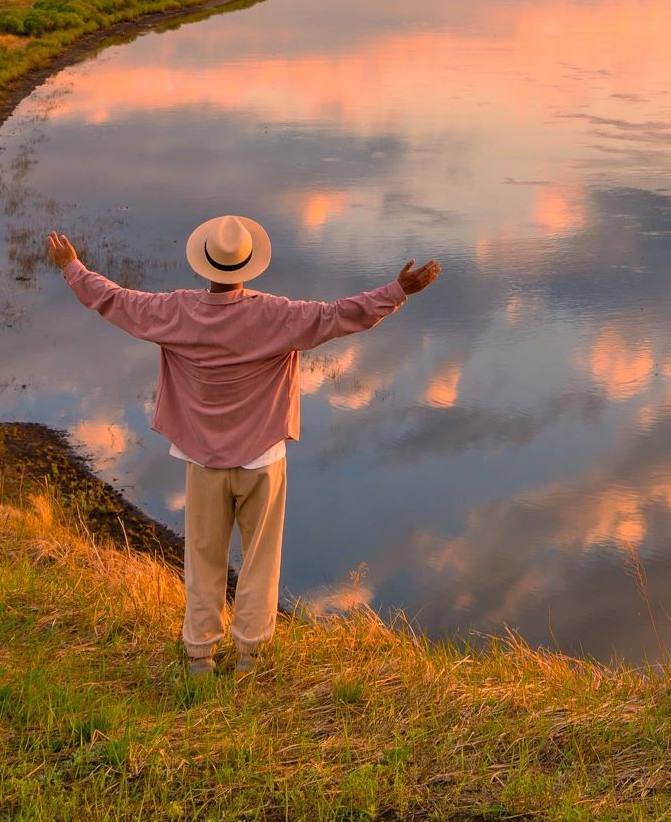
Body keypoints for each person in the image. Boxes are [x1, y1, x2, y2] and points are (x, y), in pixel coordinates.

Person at [46, 216, 440, 677]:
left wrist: (72, 267)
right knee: (260, 559)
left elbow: (114, 300)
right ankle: (250, 655)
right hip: (262, 460)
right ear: (248, 266)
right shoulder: (276, 314)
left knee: (204, 558)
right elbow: (340, 316)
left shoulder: (174, 310)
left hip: (202, 460)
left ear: (204, 266)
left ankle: (200, 655)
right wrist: (398, 291)